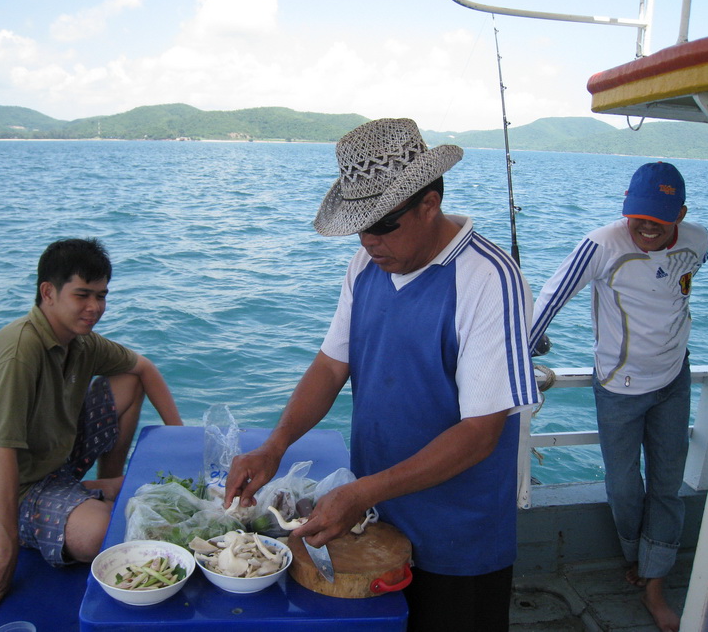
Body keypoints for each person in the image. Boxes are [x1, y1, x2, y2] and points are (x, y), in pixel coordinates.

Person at [223, 118, 539, 631]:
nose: (369, 240)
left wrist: (364, 491)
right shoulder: (366, 266)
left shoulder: (489, 280)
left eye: (382, 224)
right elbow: (331, 365)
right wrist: (275, 445)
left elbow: (482, 434)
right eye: (359, 225)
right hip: (371, 520)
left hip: (458, 533)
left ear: (429, 204)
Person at [528, 162, 708, 632]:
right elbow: (550, 298)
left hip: (674, 378)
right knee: (626, 486)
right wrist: (517, 350)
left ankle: (653, 581)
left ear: (682, 214)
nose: (647, 226)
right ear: (625, 208)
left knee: (667, 485)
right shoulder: (602, 244)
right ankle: (636, 556)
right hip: (620, 386)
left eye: (660, 217)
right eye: (638, 215)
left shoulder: (698, 240)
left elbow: (679, 287)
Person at [0, 237, 183, 613]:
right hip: (17, 490)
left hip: (54, 463)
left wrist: (181, 434)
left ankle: (101, 483)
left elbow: (143, 368)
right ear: (48, 292)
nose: (94, 307)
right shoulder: (20, 355)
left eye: (101, 296)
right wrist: (4, 555)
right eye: (82, 295)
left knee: (128, 378)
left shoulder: (81, 343)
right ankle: (93, 496)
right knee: (103, 534)